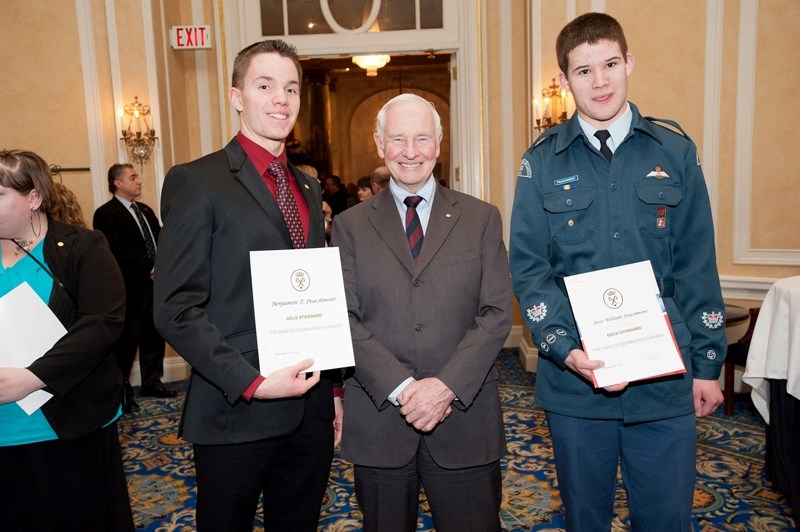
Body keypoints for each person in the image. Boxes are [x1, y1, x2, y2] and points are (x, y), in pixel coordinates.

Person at [509, 13, 726, 531]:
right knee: (585, 519)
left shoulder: (674, 152)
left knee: (668, 518)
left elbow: (697, 261)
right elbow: (529, 268)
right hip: (577, 382)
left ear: (628, 62)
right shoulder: (540, 163)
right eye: (583, 71)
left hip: (664, 377)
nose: (599, 81)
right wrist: (563, 347)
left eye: (609, 64)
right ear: (564, 81)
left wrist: (708, 362)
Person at [153, 39, 342, 532]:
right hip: (235, 407)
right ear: (237, 96)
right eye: (265, 86)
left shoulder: (307, 184)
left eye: (291, 88)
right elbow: (175, 308)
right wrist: (252, 384)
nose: (281, 99)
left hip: (311, 405)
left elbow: (315, 291)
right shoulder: (197, 181)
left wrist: (335, 393)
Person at [332, 93, 512, 532]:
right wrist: (402, 388)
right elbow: (343, 318)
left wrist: (445, 387)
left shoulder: (481, 218)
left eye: (421, 138)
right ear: (379, 144)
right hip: (380, 423)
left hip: (464, 421)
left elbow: (496, 312)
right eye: (397, 139)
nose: (410, 151)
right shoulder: (349, 226)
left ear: (439, 142)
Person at [0, 149, 134, 530]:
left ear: (34, 198)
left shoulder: (81, 247)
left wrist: (33, 377)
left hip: (67, 426)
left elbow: (102, 323)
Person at [93, 163, 175, 411]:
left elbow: (162, 241)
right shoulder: (106, 214)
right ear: (117, 183)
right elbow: (116, 250)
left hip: (156, 287)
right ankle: (121, 393)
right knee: (126, 343)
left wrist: (164, 267)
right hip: (129, 288)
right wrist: (151, 268)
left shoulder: (146, 210)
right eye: (133, 177)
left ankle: (152, 382)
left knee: (154, 335)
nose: (139, 181)